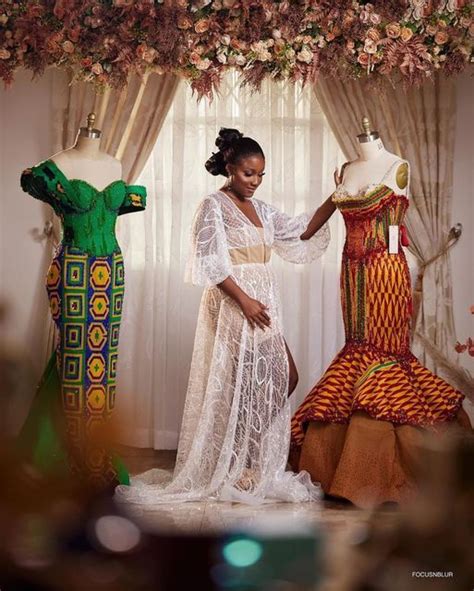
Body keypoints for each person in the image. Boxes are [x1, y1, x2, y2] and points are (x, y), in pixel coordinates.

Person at [115, 127, 334, 505]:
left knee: (284, 376)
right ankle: (239, 463)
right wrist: (245, 301)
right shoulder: (213, 206)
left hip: (264, 304)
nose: (255, 182)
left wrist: (337, 196)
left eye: (261, 174)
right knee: (249, 381)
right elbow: (210, 262)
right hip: (236, 304)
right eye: (248, 173)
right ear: (229, 168)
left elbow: (301, 232)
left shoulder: (262, 209)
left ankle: (243, 457)